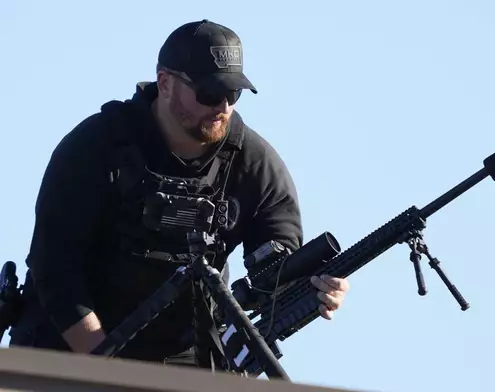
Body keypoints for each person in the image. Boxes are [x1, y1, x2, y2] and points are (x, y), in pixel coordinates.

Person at [8, 19, 350, 369]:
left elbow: (277, 273)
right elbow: (54, 269)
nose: (223, 107)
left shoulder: (255, 166)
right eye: (209, 93)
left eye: (233, 94)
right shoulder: (96, 147)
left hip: (182, 356)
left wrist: (313, 291)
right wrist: (107, 371)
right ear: (165, 83)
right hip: (69, 347)